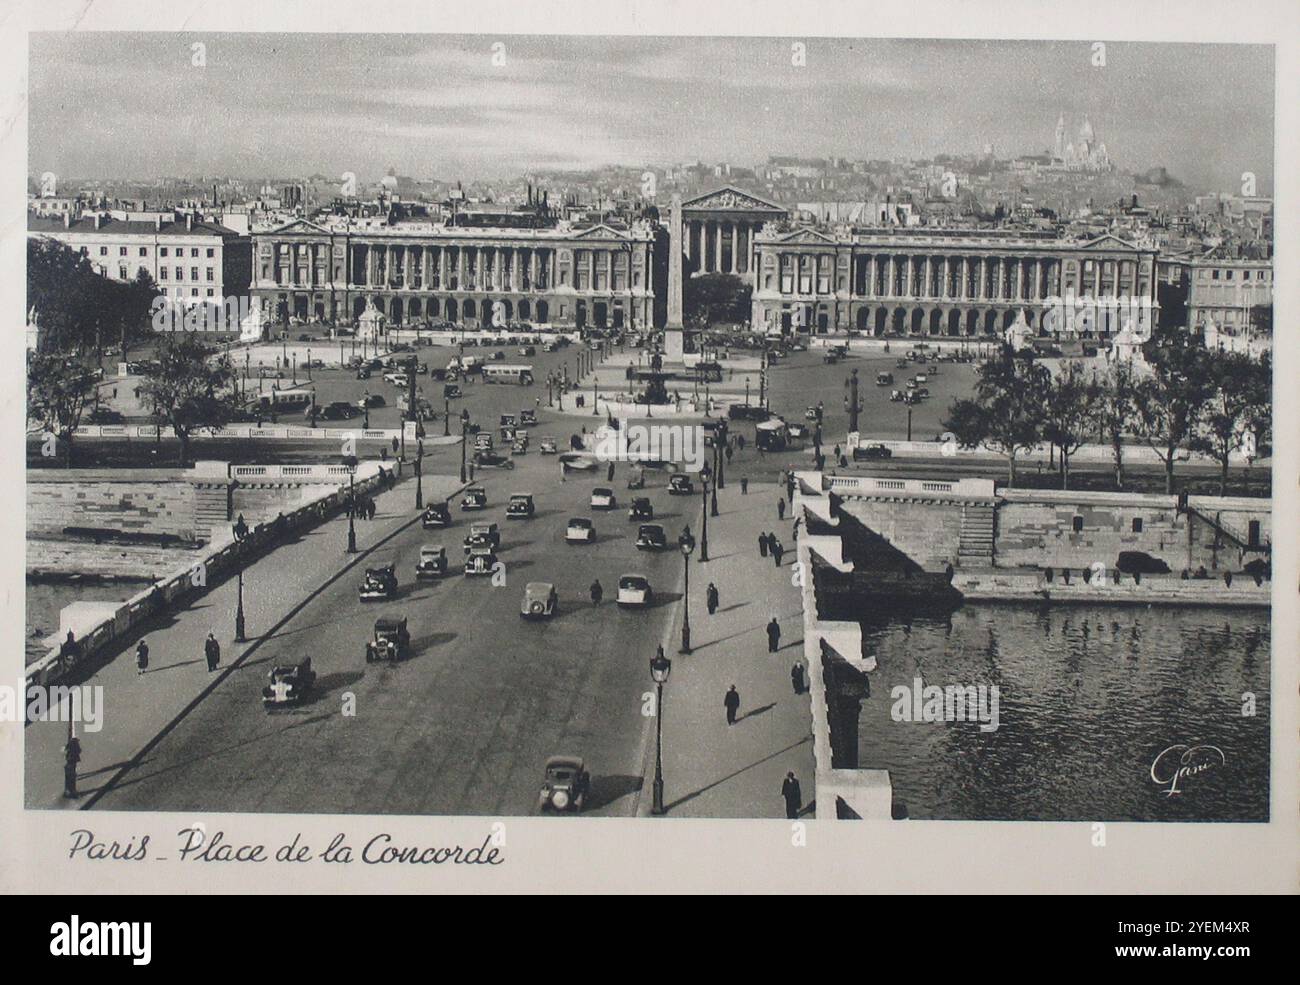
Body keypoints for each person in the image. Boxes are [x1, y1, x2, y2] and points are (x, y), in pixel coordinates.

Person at [63, 734, 82, 799]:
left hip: (68, 762)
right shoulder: (75, 744)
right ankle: (73, 792)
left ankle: (67, 791)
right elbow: (79, 750)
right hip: (72, 762)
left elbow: (63, 750)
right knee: (72, 777)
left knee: (68, 777)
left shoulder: (68, 745)